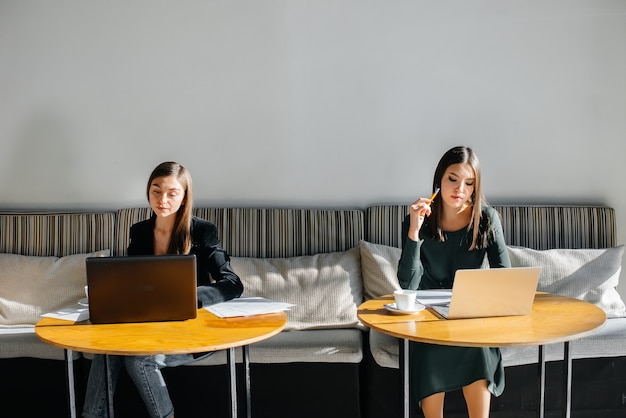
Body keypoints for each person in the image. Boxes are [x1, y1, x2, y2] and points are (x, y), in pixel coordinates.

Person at [82, 161, 243, 418]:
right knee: (106, 352)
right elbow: (133, 281)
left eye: (172, 193)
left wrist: (191, 298)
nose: (162, 199)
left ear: (184, 197)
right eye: (156, 191)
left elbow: (232, 283)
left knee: (138, 360)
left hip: (189, 331)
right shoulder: (140, 232)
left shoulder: (203, 231)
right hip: (146, 326)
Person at [397, 146, 511, 418]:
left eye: (469, 183)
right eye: (453, 179)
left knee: (479, 350)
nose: (460, 188)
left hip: (469, 316)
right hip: (428, 318)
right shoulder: (418, 221)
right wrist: (414, 230)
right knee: (429, 350)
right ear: (439, 180)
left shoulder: (486, 218)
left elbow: (504, 276)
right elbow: (408, 285)